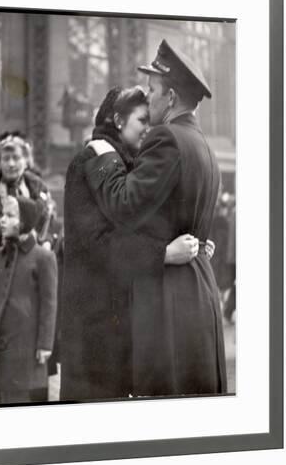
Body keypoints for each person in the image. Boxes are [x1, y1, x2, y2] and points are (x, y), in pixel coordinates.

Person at [86, 39, 227, 397]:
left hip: (167, 302)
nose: (147, 100)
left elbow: (124, 205)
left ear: (172, 97)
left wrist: (103, 157)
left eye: (152, 90)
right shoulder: (205, 148)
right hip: (199, 294)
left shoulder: (166, 137)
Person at [61, 85, 214, 401]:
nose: (150, 126)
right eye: (142, 120)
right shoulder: (89, 160)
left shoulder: (127, 162)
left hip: (121, 321)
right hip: (94, 325)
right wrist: (163, 254)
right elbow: (96, 245)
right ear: (118, 120)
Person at [0, 195, 58, 404]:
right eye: (3, 214)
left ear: (25, 222)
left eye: (10, 215)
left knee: (19, 400)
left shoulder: (43, 258)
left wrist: (45, 344)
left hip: (25, 348)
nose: (1, 220)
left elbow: (49, 304)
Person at [0, 132, 55, 310]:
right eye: (6, 158)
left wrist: (47, 242)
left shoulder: (39, 192)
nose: (11, 164)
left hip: (30, 279)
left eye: (16, 158)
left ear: (26, 161)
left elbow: (48, 229)